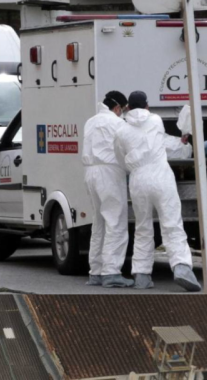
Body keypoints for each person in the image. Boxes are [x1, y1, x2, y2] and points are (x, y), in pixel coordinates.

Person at [113, 91, 200, 291]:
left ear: (127, 107)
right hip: (161, 176)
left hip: (137, 179)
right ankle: (181, 268)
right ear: (147, 106)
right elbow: (162, 141)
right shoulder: (156, 121)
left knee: (143, 227)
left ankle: (142, 275)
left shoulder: (121, 131)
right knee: (172, 224)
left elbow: (120, 158)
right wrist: (183, 142)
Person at [83, 91, 133, 288]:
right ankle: (111, 271)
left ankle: (95, 271)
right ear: (117, 108)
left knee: (99, 223)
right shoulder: (117, 123)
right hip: (109, 173)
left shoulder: (91, 121)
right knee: (116, 222)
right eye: (123, 109)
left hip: (90, 173)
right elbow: (127, 148)